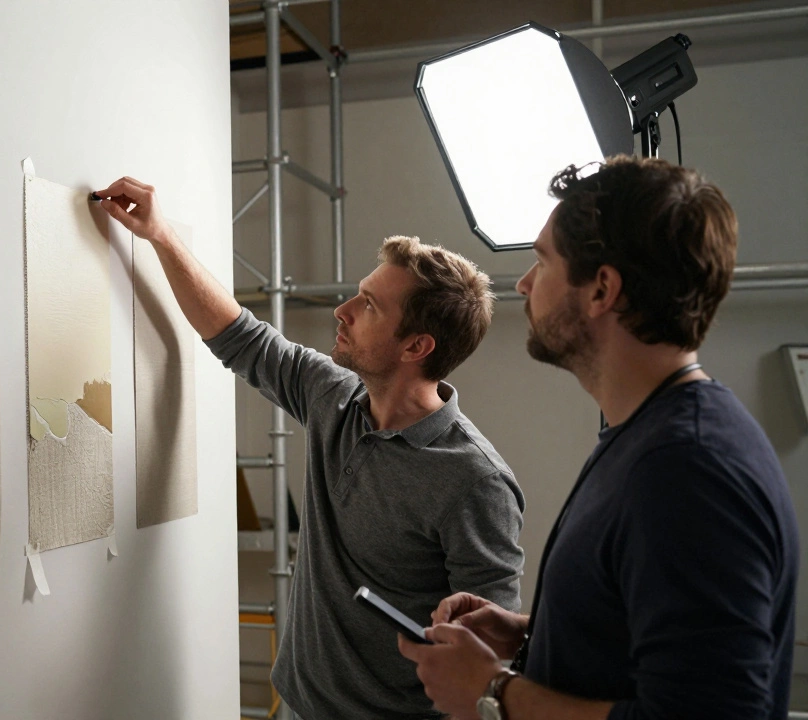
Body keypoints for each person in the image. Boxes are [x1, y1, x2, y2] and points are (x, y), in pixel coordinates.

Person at [95, 176, 525, 719]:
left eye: (369, 306)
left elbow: (486, 658)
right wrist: (160, 235)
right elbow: (238, 335)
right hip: (297, 705)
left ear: (416, 346)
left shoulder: (476, 482)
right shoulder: (334, 396)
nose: (343, 310)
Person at [398, 156, 799, 720]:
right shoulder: (647, 434)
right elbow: (654, 639)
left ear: (602, 289)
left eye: (543, 260)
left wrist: (493, 693)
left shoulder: (689, 470)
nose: (524, 283)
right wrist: (534, 633)